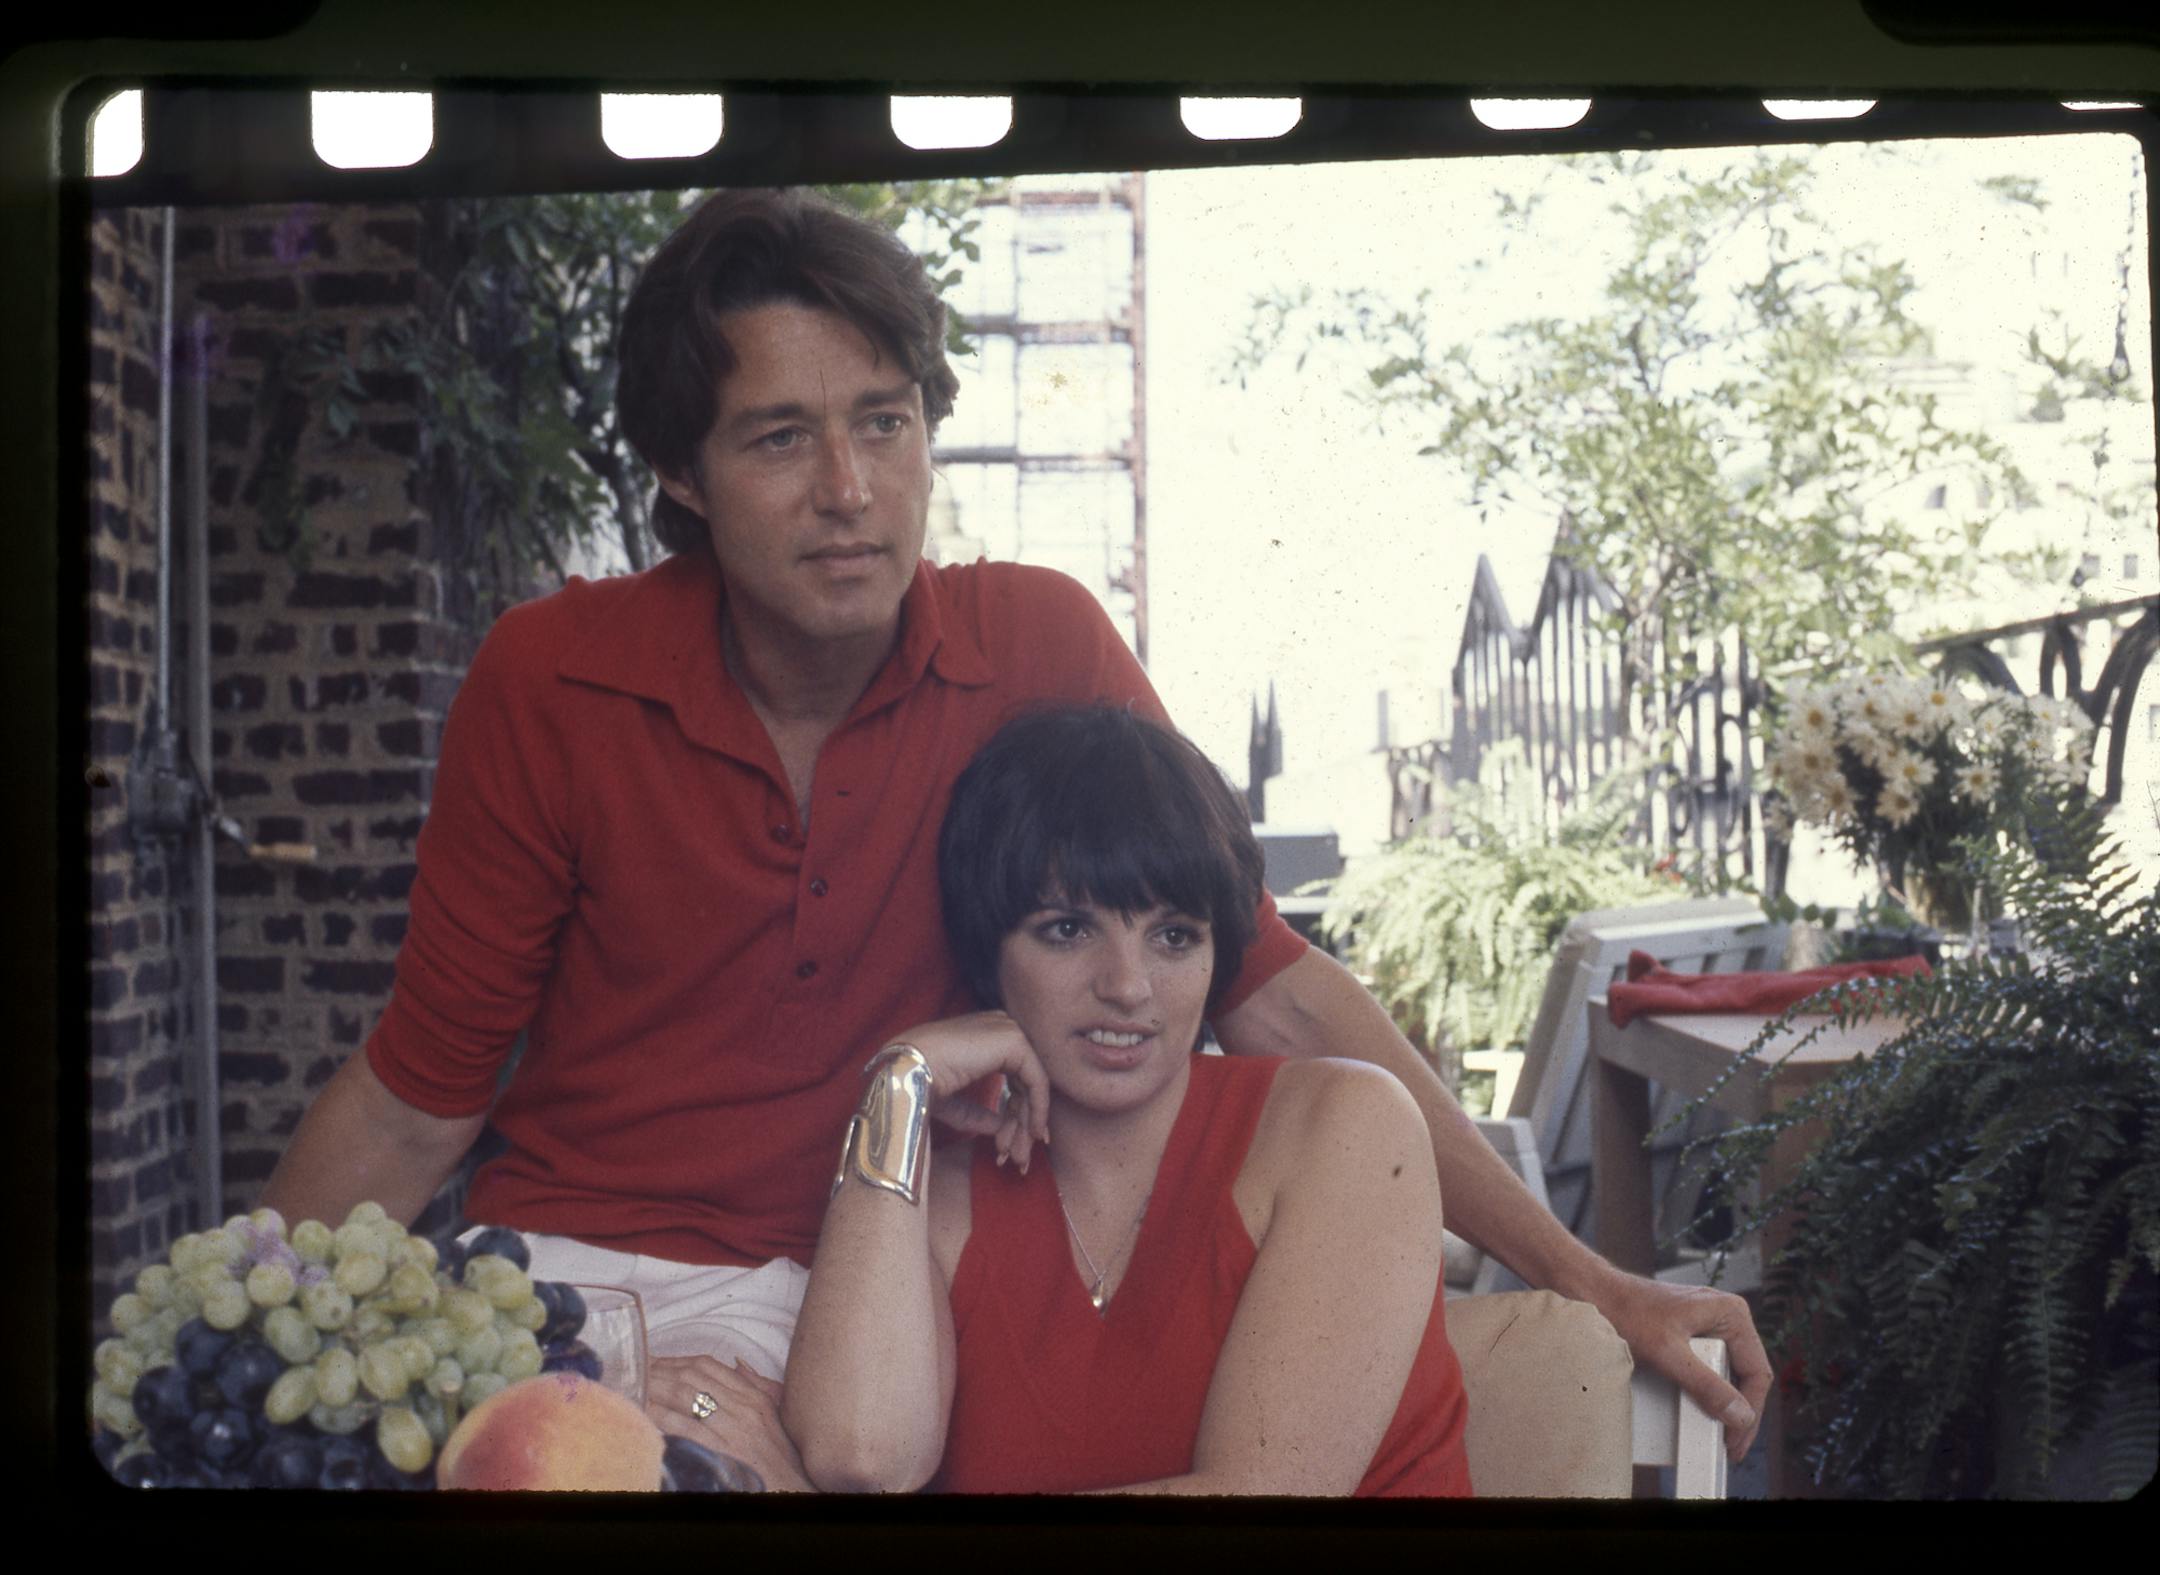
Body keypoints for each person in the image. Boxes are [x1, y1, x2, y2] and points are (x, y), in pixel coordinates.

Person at [257, 186, 1769, 1491]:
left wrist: (1588, 1274)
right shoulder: (551, 675)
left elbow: (1262, 975)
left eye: (885, 423)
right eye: (780, 438)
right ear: (678, 475)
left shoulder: (1034, 644)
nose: (851, 491)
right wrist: (224, 1323)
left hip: (847, 1280)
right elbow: (416, 1096)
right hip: (555, 1277)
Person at [784, 705, 1474, 1494]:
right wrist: (898, 1080)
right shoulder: (937, 1195)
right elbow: (860, 1456)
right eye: (1068, 929)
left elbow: (1262, 1503)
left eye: (1175, 935)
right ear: (988, 951)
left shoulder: (1347, 1123)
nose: (1127, 986)